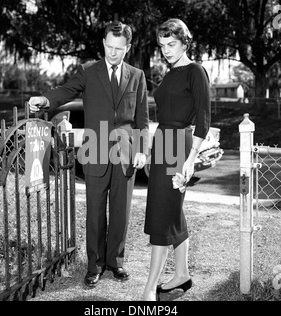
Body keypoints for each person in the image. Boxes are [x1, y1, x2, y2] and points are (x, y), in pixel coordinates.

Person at [28, 21, 149, 288]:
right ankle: (94, 266)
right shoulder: (88, 71)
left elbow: (142, 119)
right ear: (103, 43)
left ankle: (116, 262)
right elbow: (66, 90)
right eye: (109, 46)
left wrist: (142, 151)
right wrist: (46, 100)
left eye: (119, 48)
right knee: (95, 212)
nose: (113, 52)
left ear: (127, 48)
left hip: (126, 153)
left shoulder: (137, 76)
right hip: (95, 151)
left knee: (121, 211)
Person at [143, 18, 210, 301]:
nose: (166, 50)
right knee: (171, 210)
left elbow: (204, 120)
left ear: (185, 42)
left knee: (161, 214)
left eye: (172, 44)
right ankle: (181, 274)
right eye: (162, 45)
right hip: (163, 142)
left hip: (179, 145)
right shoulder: (170, 73)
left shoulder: (195, 71)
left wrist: (191, 158)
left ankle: (148, 290)